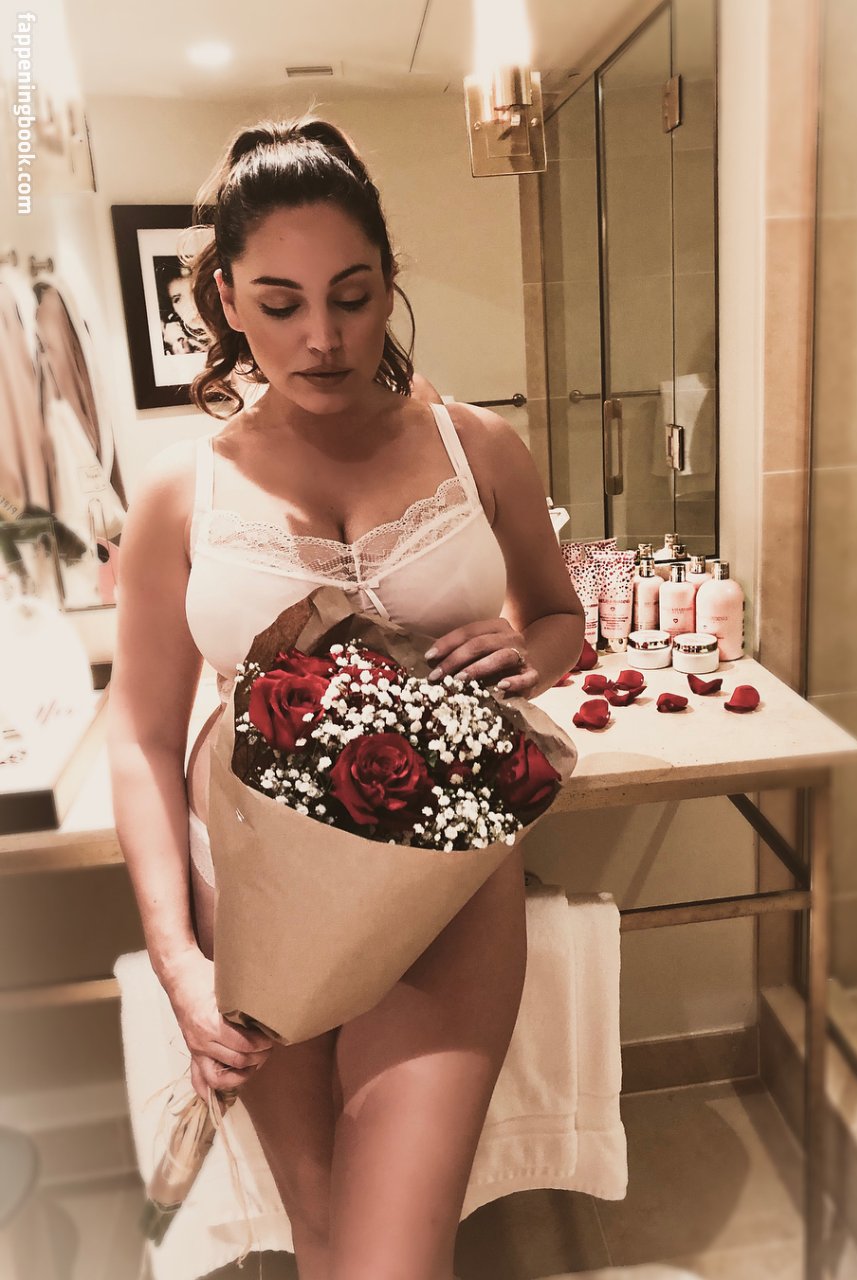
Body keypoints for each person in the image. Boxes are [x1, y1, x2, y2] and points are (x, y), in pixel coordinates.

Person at [105, 114, 583, 1279]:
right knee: (321, 1237)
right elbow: (142, 735)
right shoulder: (179, 491)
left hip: (442, 872)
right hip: (253, 889)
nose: (322, 336)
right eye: (280, 303)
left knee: (391, 1254)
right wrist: (177, 961)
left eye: (352, 296)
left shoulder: (479, 448)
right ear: (227, 298)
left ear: (388, 282)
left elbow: (559, 615)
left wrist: (528, 652)